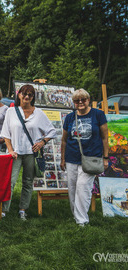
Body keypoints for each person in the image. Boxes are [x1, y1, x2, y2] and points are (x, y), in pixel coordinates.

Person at [0, 84, 56, 220]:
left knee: (28, 182)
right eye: (24, 94)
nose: (27, 97)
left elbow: (52, 131)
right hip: (15, 153)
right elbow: (6, 133)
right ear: (19, 95)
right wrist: (10, 150)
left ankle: (23, 210)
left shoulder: (39, 113)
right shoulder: (11, 112)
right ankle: (4, 211)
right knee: (10, 182)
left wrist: (42, 142)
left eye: (30, 94)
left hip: (31, 153)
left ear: (33, 97)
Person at [60, 89, 108, 226]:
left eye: (83, 99)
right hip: (71, 158)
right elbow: (64, 140)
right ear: (74, 102)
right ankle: (76, 216)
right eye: (77, 100)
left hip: (91, 159)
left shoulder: (98, 114)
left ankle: (82, 221)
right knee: (73, 189)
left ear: (88, 100)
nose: (80, 102)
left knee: (83, 188)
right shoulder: (69, 118)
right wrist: (62, 159)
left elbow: (105, 138)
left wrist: (105, 158)